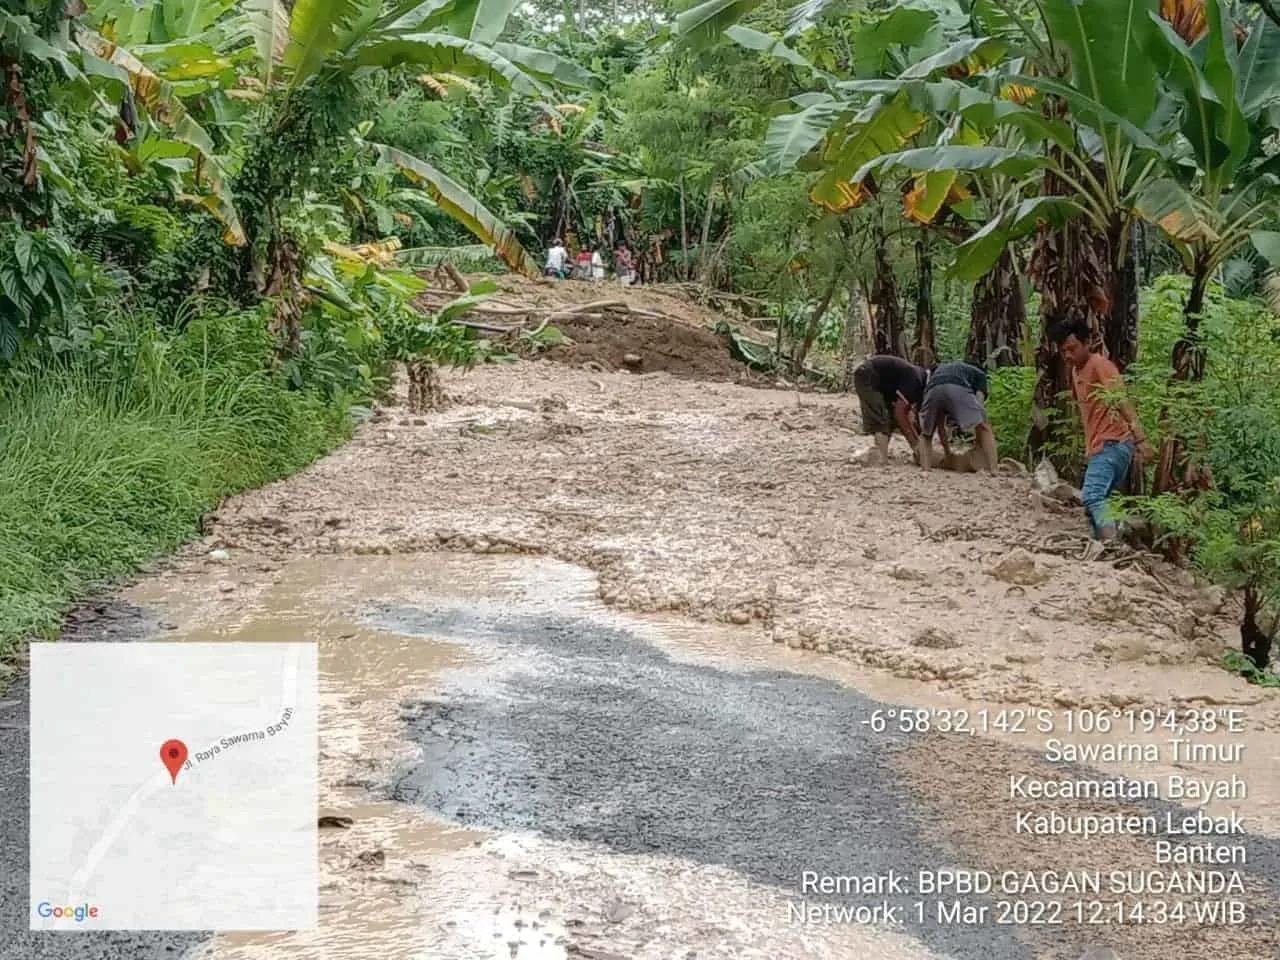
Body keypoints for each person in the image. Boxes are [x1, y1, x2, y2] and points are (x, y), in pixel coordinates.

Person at [1050, 319, 1155, 544]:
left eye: (1072, 348)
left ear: (1087, 343)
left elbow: (1121, 400)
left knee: (1092, 495)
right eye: (1063, 351)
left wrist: (1141, 439)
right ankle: (1106, 544)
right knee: (1099, 501)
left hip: (1113, 442)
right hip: (1101, 446)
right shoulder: (1076, 372)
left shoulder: (1100, 365)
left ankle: (1111, 546)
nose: (1068, 355)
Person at [917, 360, 998, 473]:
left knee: (926, 433)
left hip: (932, 388)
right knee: (985, 427)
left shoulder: (948, 368)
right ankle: (994, 469)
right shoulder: (980, 375)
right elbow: (980, 408)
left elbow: (940, 425)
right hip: (957, 386)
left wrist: (947, 453)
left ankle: (925, 469)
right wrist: (978, 444)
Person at [851, 354, 928, 465]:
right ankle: (880, 459)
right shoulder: (914, 379)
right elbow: (900, 413)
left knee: (890, 420)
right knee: (880, 419)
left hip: (875, 380)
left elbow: (905, 416)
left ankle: (881, 455)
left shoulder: (915, 380)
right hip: (868, 376)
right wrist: (914, 444)